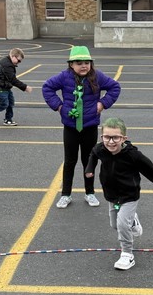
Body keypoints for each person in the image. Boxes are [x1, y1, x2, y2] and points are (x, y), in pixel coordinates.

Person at [84, 117, 153, 271]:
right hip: (111, 194)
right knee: (115, 225)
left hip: (129, 195)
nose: (110, 142)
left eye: (115, 137)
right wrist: (90, 168)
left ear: (123, 138)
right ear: (101, 136)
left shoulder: (133, 155)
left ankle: (127, 255)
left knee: (122, 224)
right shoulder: (100, 149)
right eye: (106, 137)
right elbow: (93, 155)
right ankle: (133, 222)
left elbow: (149, 168)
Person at [42, 45, 121, 209]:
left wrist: (102, 104)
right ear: (71, 64)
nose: (83, 66)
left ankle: (90, 192)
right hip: (70, 127)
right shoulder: (64, 77)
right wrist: (59, 107)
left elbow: (115, 87)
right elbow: (47, 87)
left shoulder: (97, 76)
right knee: (69, 161)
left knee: (89, 161)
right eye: (79, 62)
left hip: (90, 126)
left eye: (86, 62)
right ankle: (66, 194)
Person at [0, 47, 33, 126]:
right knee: (4, 103)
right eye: (19, 60)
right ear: (13, 56)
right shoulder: (7, 65)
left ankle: (8, 119)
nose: (19, 63)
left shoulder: (9, 62)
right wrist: (25, 87)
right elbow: (13, 80)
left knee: (11, 102)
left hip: (5, 86)